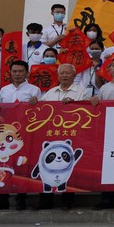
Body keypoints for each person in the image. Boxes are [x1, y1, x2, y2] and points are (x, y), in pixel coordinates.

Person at [0, 61, 40, 212]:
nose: (17, 74)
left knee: (22, 165)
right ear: (10, 72)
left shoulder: (34, 90)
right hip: (4, 135)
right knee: (2, 164)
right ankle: (2, 199)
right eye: (14, 71)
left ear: (27, 73)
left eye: (20, 71)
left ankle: (21, 198)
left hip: (24, 134)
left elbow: (40, 112)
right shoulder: (4, 90)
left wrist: (35, 104)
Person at [33, 63, 87, 210]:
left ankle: (67, 202)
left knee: (68, 168)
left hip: (72, 135)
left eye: (67, 73)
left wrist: (74, 104)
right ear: (57, 75)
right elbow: (41, 110)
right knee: (45, 166)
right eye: (61, 73)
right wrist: (34, 103)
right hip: (51, 135)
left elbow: (87, 110)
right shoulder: (50, 92)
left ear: (74, 75)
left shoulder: (82, 92)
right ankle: (45, 202)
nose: (64, 75)